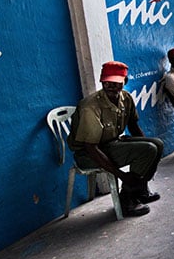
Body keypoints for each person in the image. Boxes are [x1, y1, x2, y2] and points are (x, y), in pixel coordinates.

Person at [68, 61, 163, 217]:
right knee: (148, 150)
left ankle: (140, 189)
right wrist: (121, 175)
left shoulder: (126, 98)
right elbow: (91, 148)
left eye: (116, 82)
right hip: (87, 154)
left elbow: (133, 126)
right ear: (101, 81)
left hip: (111, 143)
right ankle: (126, 199)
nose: (110, 85)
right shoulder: (90, 106)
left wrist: (148, 158)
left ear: (124, 82)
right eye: (106, 81)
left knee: (157, 145)